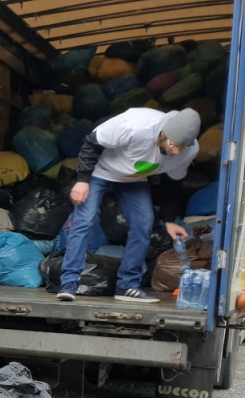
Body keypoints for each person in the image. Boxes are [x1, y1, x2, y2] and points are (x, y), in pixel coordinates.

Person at [58, 107, 199, 303]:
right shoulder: (135, 125)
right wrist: (82, 180)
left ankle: (127, 286)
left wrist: (169, 219)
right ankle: (69, 283)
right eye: (173, 145)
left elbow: (172, 184)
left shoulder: (188, 151)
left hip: (133, 179)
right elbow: (91, 142)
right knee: (85, 219)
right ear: (163, 133)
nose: (175, 152)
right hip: (101, 171)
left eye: (182, 147)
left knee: (144, 221)